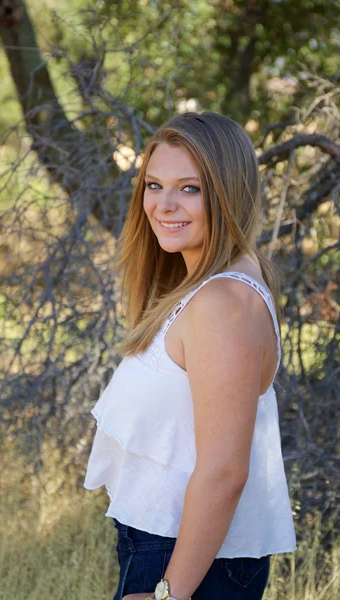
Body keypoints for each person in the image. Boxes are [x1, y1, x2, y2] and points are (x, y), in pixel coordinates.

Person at [84, 111, 297, 600]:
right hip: (178, 551)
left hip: (187, 564)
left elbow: (225, 470)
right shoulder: (216, 283)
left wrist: (167, 594)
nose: (163, 205)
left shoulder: (223, 301)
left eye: (190, 189)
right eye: (154, 185)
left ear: (229, 193)